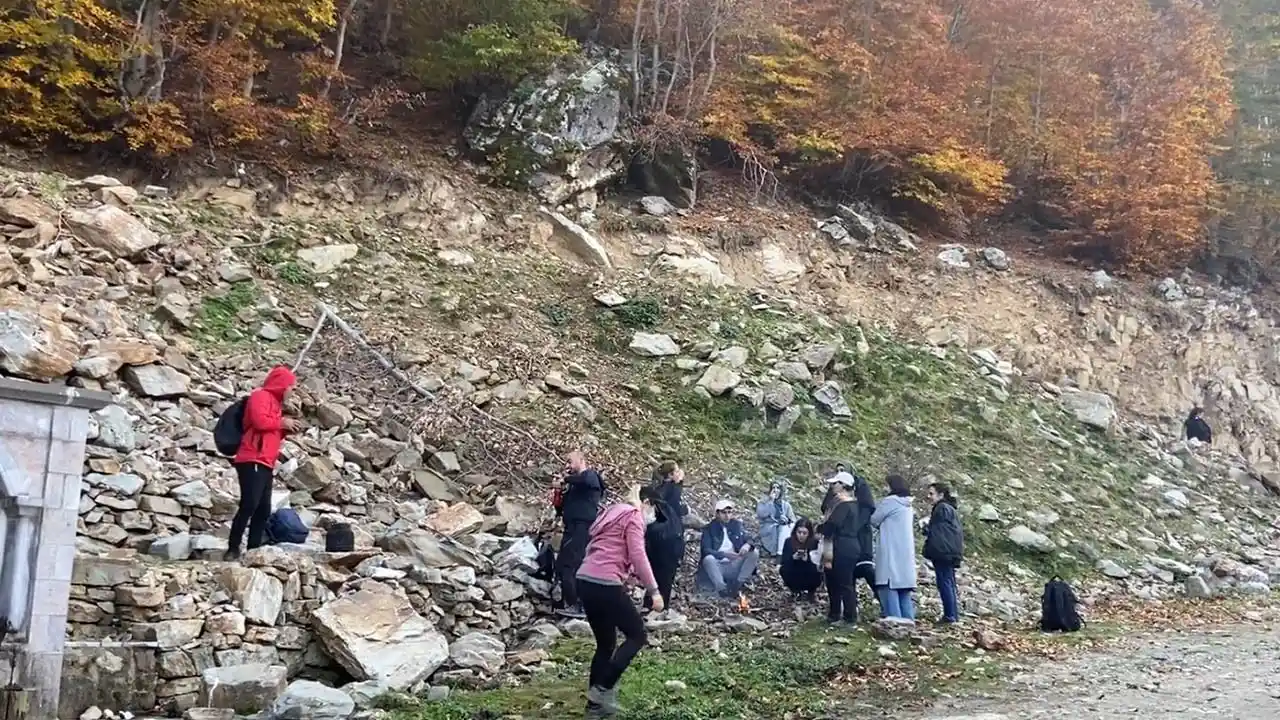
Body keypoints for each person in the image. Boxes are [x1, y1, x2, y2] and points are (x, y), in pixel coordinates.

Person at [576, 485, 664, 718]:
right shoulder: (634, 516)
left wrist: (628, 576)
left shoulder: (610, 513)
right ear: (646, 503)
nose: (652, 515)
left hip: (585, 579)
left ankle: (595, 708)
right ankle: (602, 691)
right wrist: (654, 591)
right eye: (653, 508)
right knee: (637, 635)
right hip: (605, 583)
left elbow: (602, 548)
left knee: (605, 644)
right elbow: (638, 553)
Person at [228, 365, 299, 561]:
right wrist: (281, 423)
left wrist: (285, 429)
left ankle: (253, 550)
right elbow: (259, 422)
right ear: (282, 386)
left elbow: (268, 431)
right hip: (252, 458)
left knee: (263, 508)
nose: (292, 392)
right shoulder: (260, 396)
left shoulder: (275, 404)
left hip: (265, 461)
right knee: (249, 504)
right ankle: (233, 548)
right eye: (291, 387)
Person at [554, 451, 605, 618]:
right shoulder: (575, 486)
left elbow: (586, 480)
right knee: (563, 564)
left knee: (570, 565)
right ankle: (572, 603)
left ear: (582, 461)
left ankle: (576, 605)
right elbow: (561, 509)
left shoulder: (590, 476)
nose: (567, 465)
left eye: (570, 461)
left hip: (581, 528)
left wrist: (564, 479)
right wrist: (558, 494)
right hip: (571, 527)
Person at [818, 474, 870, 623]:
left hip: (841, 546)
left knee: (843, 582)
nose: (833, 486)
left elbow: (832, 525)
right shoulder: (854, 504)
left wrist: (819, 529)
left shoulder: (842, 505)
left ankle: (848, 616)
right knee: (839, 581)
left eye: (836, 483)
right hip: (849, 545)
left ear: (843, 485)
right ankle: (837, 614)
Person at [871, 474, 917, 620]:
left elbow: (874, 519)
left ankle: (895, 624)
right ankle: (909, 624)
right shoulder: (908, 504)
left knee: (888, 587)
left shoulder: (890, 501)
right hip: (905, 554)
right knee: (904, 591)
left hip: (890, 551)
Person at [644, 461, 687, 610]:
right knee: (666, 576)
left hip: (655, 537)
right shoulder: (672, 489)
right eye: (676, 471)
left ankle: (648, 604)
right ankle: (661, 608)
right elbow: (674, 507)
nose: (679, 472)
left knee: (655, 572)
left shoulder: (658, 489)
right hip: (669, 538)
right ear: (670, 475)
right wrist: (679, 483)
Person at [696, 499, 759, 597]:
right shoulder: (709, 528)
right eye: (723, 513)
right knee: (708, 559)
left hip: (734, 564)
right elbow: (705, 550)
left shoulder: (736, 525)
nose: (727, 516)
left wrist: (747, 545)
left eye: (729, 512)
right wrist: (724, 554)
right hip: (718, 566)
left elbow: (750, 538)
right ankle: (722, 589)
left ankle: (738, 584)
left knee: (754, 553)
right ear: (717, 514)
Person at [922, 482, 965, 624]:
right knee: (949, 582)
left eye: (931, 493)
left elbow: (939, 532)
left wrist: (927, 529)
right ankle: (953, 615)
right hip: (951, 551)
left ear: (941, 495)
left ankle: (950, 616)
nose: (928, 497)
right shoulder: (950, 509)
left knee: (944, 583)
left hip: (943, 552)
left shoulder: (941, 509)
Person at [780, 519, 822, 601]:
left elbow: (819, 564)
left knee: (817, 571)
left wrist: (808, 559)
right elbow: (784, 561)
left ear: (809, 533)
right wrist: (793, 558)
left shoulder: (814, 543)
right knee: (783, 569)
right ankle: (795, 590)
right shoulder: (789, 541)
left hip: (809, 572)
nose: (801, 535)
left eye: (804, 533)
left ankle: (811, 592)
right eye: (799, 532)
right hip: (794, 570)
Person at [756, 479, 797, 556]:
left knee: (788, 527)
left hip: (783, 528)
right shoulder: (763, 502)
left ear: (781, 490)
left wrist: (787, 520)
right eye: (773, 488)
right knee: (781, 528)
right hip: (768, 528)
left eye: (777, 488)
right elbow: (761, 514)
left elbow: (793, 520)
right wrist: (771, 501)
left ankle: (784, 552)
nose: (775, 490)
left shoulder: (786, 505)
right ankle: (779, 554)